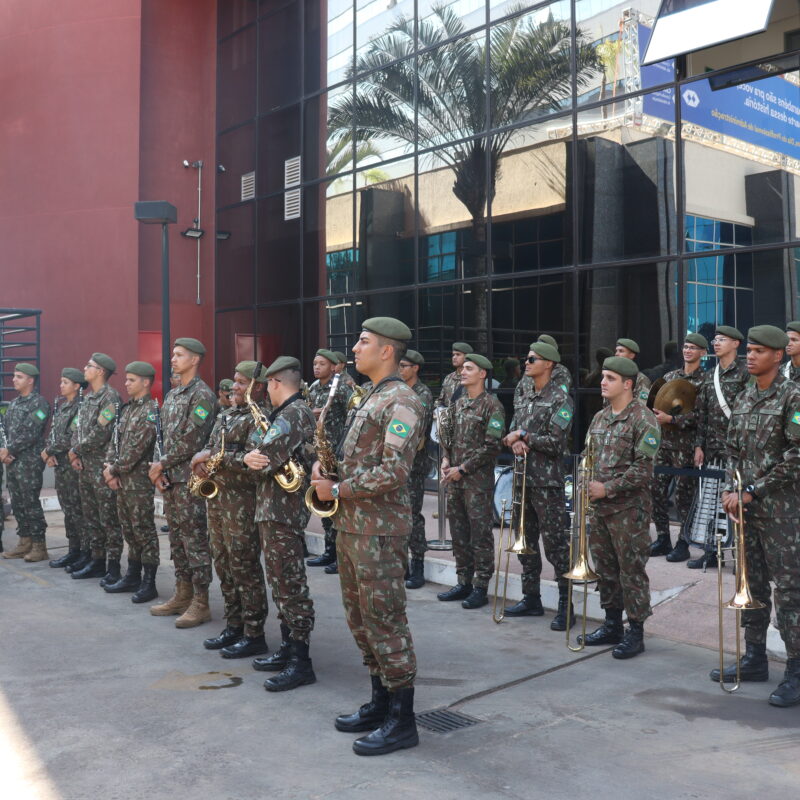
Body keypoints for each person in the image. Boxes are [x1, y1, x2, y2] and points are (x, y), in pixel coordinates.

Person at [311, 317, 424, 756]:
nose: (355, 349)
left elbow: (395, 471)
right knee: (360, 619)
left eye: (363, 342)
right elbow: (361, 460)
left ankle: (402, 719)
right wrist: (328, 469)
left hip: (379, 532)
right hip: (353, 526)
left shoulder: (403, 400)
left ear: (387, 351)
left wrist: (338, 489)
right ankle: (380, 703)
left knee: (384, 619)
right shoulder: (371, 396)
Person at [709, 325, 800, 707]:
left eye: (759, 351)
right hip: (747, 513)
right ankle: (755, 658)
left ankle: (796, 670)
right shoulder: (744, 395)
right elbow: (732, 450)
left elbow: (796, 456)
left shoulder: (793, 397)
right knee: (752, 588)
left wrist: (752, 490)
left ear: (778, 356)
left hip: (782, 517)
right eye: (749, 349)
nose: (750, 355)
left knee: (791, 593)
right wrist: (730, 491)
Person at [578, 357, 661, 659]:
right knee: (606, 570)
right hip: (600, 509)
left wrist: (607, 488)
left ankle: (635, 631)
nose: (602, 382)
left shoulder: (644, 419)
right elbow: (587, 455)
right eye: (603, 376)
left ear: (627, 384)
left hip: (628, 511)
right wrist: (585, 483)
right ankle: (612, 624)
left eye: (610, 378)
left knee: (631, 571)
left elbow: (643, 470)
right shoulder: (600, 417)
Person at [244, 356, 317, 690]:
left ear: (275, 382)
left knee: (290, 584)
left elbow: (263, 456)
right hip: (273, 509)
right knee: (280, 582)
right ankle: (289, 649)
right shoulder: (285, 413)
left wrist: (250, 457)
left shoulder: (293, 413)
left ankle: (301, 662)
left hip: (283, 512)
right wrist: (249, 456)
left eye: (267, 384)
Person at [196, 361, 269, 659]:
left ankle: (254, 633)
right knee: (223, 564)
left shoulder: (260, 418)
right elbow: (213, 448)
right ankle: (234, 624)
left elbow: (253, 460)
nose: (233, 387)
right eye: (234, 381)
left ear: (258, 387)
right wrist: (202, 463)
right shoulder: (226, 414)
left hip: (242, 503)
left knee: (244, 567)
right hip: (218, 499)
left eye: (241, 382)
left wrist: (213, 456)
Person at [502, 342, 574, 630]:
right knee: (525, 542)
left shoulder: (561, 399)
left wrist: (524, 436)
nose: (526, 363)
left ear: (549, 364)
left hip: (547, 483)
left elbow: (556, 442)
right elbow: (511, 431)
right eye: (526, 358)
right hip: (523, 479)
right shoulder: (524, 395)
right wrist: (515, 440)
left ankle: (566, 605)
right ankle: (531, 597)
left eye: (533, 359)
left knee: (555, 546)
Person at [149, 338, 216, 628]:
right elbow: (162, 436)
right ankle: (182, 593)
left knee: (194, 540)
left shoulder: (202, 396)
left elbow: (192, 440)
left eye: (179, 355)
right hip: (170, 479)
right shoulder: (174, 394)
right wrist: (158, 468)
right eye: (173, 355)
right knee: (177, 540)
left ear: (195, 359)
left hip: (190, 481)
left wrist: (162, 464)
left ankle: (201, 602)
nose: (173, 359)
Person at [437, 353, 504, 610]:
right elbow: (448, 435)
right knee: (459, 532)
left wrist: (463, 469)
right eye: (463, 368)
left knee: (480, 534)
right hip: (454, 479)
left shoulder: (492, 406)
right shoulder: (459, 403)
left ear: (482, 374)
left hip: (476, 482)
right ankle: (463, 581)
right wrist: (446, 459)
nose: (463, 372)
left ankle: (480, 587)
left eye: (469, 368)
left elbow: (492, 446)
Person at [689, 325, 749, 569]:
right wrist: (699, 446)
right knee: (711, 506)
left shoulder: (745, 373)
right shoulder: (710, 375)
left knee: (737, 504)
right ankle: (711, 552)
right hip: (713, 452)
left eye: (722, 339)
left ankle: (742, 555)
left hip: (736, 453)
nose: (716, 343)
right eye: (715, 340)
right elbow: (702, 414)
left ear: (736, 343)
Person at [101, 362, 160, 602]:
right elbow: (114, 442)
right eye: (126, 379)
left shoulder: (150, 411)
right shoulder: (127, 410)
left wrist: (113, 470)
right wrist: (109, 468)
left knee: (144, 531)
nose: (126, 383)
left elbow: (136, 450)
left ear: (145, 382)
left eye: (131, 380)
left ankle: (149, 582)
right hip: (122, 480)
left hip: (138, 483)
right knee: (129, 530)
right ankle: (133, 575)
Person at [650, 333, 707, 562]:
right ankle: (663, 538)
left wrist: (674, 420)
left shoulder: (705, 382)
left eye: (693, 347)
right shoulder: (670, 377)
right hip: (664, 444)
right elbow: (656, 405)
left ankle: (683, 543)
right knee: (656, 490)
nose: (687, 350)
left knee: (684, 497)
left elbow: (702, 416)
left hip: (686, 447)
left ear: (703, 353)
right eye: (686, 346)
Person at [67, 353, 123, 581]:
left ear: (100, 371)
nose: (85, 368)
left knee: (108, 519)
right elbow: (77, 427)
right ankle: (97, 561)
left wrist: (76, 450)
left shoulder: (110, 397)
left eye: (89, 365)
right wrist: (75, 452)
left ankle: (113, 566)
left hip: (101, 468)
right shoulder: (88, 398)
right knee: (91, 517)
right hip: (85, 466)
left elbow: (102, 432)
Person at [306, 348, 352, 574]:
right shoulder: (314, 388)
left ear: (334, 367)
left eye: (322, 364)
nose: (317, 367)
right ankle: (329, 551)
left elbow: (351, 418)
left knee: (338, 507)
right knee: (323, 503)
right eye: (315, 363)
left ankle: (341, 556)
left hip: (336, 451)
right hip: (319, 451)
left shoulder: (342, 388)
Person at [0, 364, 49, 562]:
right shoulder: (13, 404)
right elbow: (5, 431)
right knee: (18, 503)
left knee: (30, 503)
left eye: (19, 377)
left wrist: (9, 449)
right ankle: (24, 542)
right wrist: (5, 452)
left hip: (30, 463)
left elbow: (31, 432)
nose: (14, 379)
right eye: (14, 376)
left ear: (30, 380)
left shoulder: (40, 404)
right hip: (13, 462)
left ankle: (39, 545)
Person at [398, 349, 433, 590]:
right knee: (398, 515)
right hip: (396, 463)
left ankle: (417, 564)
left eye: (404, 366)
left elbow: (416, 426)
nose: (400, 369)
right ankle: (402, 566)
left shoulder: (422, 394)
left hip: (414, 464)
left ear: (415, 368)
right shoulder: (398, 390)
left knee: (412, 515)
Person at [44, 368, 86, 568]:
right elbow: (54, 434)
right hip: (60, 465)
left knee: (77, 510)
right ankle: (73, 550)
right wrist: (50, 453)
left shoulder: (80, 407)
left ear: (77, 386)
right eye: (61, 381)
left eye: (65, 382)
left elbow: (70, 437)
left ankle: (85, 552)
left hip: (73, 467)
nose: (61, 385)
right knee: (68, 510)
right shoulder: (63, 407)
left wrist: (48, 450)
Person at [436, 342, 473, 407]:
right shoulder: (449, 377)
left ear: (466, 357)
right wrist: (439, 409)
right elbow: (441, 400)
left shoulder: (472, 377)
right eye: (453, 355)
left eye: (458, 354)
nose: (454, 357)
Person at [614, 338, 651, 403]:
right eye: (616, 351)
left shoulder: (641, 379)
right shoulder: (612, 376)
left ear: (631, 355)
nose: (616, 354)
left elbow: (641, 406)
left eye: (621, 351)